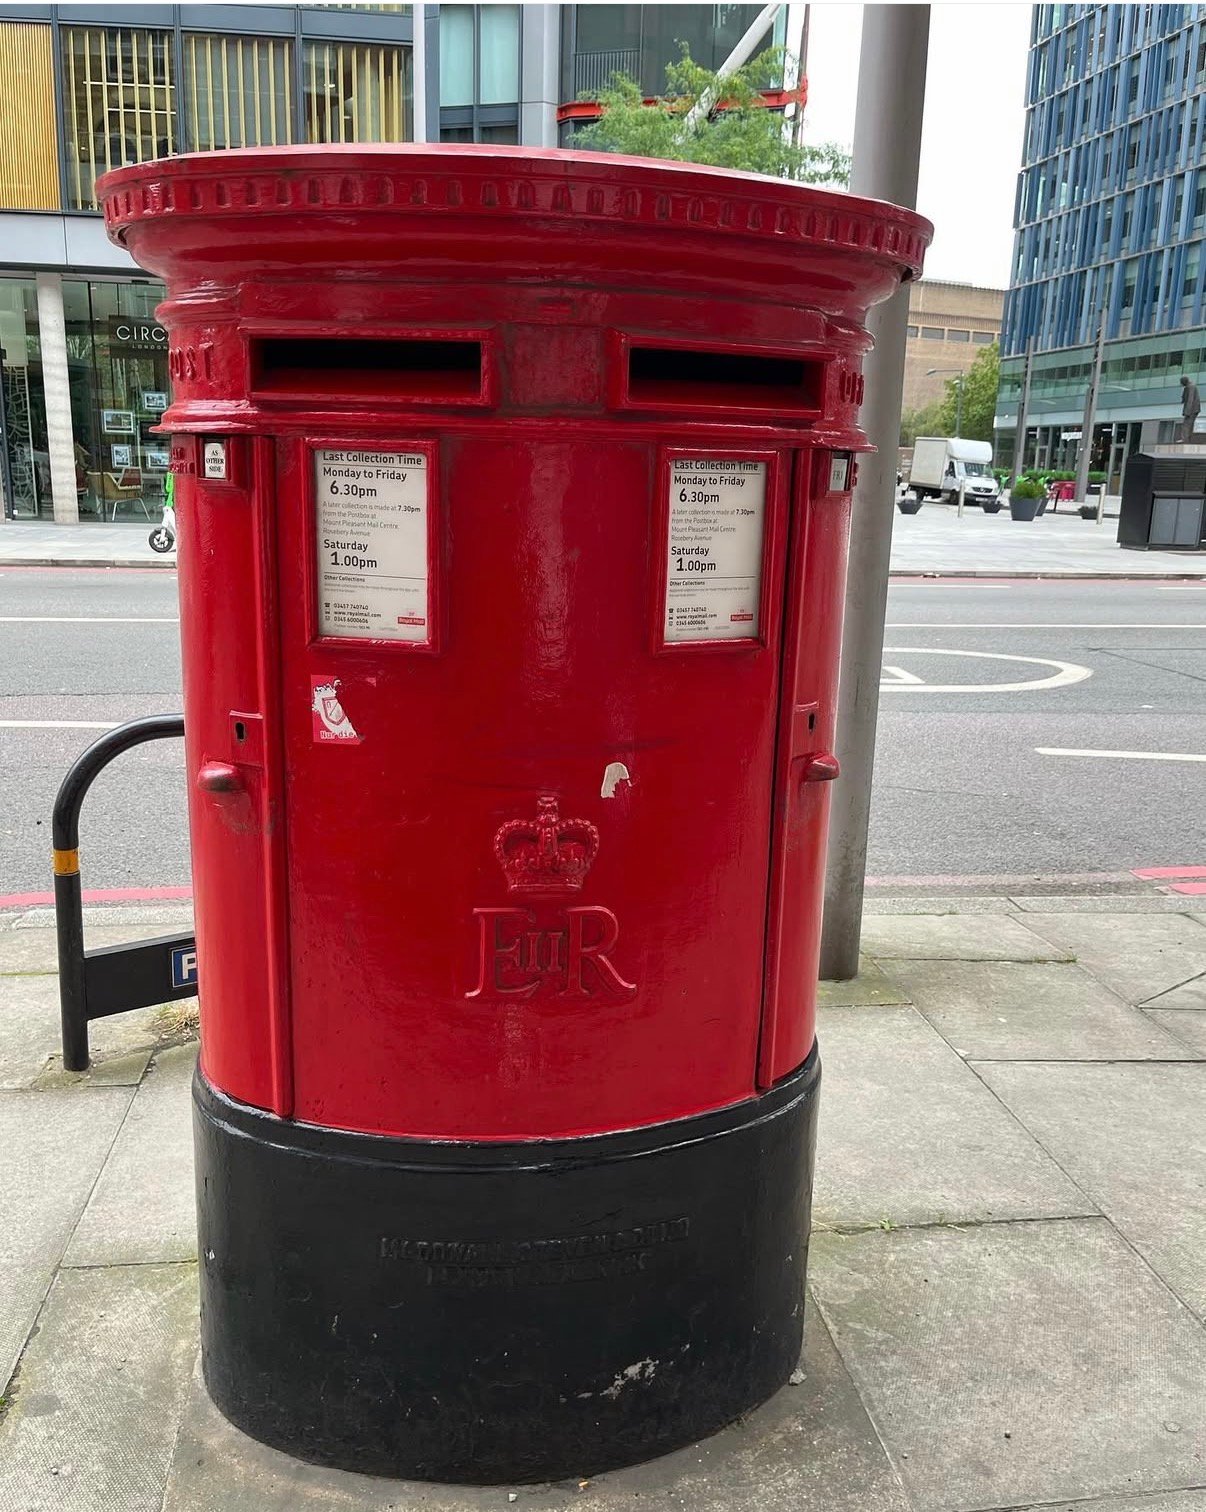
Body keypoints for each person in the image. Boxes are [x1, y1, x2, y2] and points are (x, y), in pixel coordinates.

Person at [1180, 375, 1200, 441]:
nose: (1181, 384)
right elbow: (1185, 398)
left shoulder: (1191, 387)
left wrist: (1187, 412)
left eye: (1182, 383)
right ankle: (1187, 439)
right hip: (1194, 409)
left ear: (1184, 382)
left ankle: (1185, 439)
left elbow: (1190, 400)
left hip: (1192, 409)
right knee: (1189, 424)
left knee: (1186, 424)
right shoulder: (1189, 386)